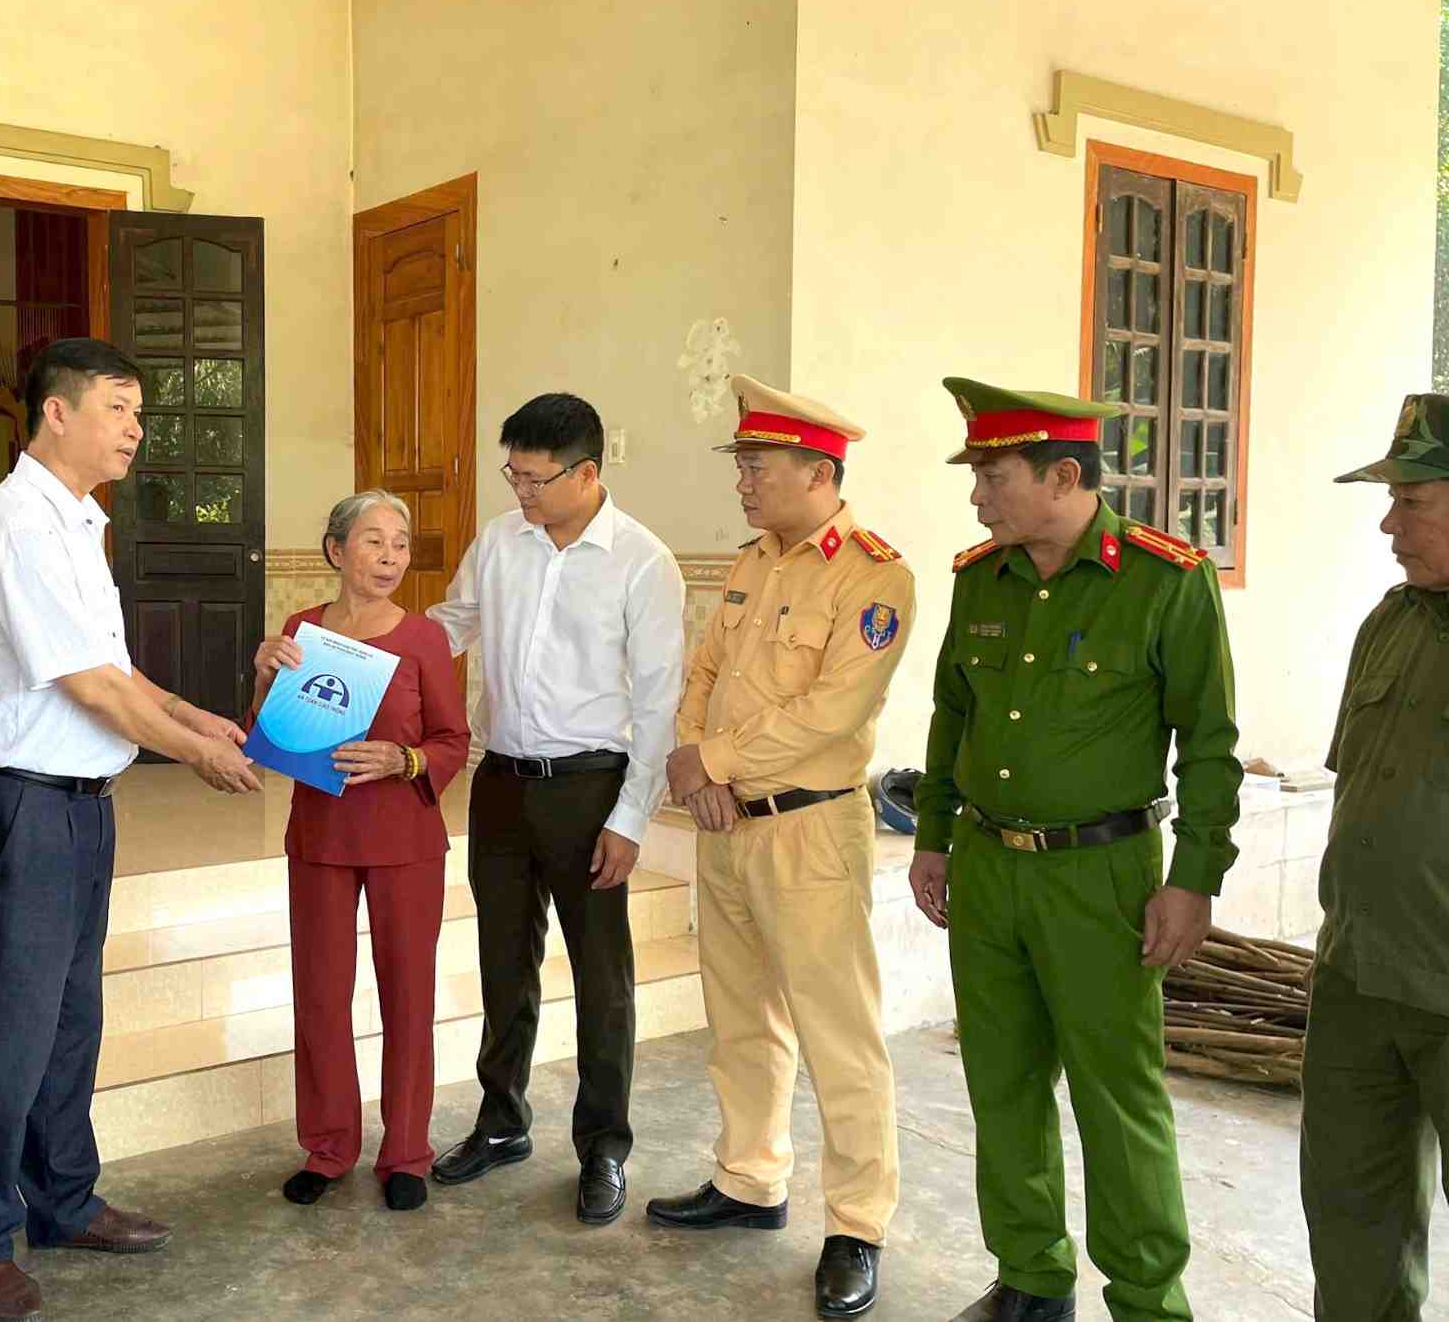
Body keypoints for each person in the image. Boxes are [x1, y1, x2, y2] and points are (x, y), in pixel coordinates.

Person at [0, 337, 262, 1321]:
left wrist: (193, 715)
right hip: (16, 805)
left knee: (68, 1019)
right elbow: (85, 686)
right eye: (118, 407)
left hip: (80, 804)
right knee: (2, 1030)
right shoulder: (15, 523)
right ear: (57, 411)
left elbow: (112, 669)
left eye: (139, 413)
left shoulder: (79, 522)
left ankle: (63, 1199)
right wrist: (194, 753)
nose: (135, 429)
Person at [911, 378, 1242, 1322]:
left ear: (1063, 476)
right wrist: (933, 836)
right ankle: (1031, 1276)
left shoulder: (1166, 579)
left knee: (1116, 1096)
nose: (977, 497)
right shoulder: (981, 577)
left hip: (1102, 876)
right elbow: (951, 715)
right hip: (987, 865)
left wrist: (1193, 880)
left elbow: (1210, 744)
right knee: (1001, 1082)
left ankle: (1147, 1299)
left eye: (994, 477)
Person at [655, 377, 914, 1319]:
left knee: (838, 1033)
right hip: (727, 826)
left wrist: (713, 759)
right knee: (740, 1017)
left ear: (817, 470)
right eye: (742, 465)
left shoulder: (874, 576)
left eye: (756, 466)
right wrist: (697, 765)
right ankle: (750, 1177)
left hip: (811, 830)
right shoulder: (750, 563)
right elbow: (704, 673)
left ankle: (857, 1223)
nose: (743, 482)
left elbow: (832, 710)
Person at [427, 392, 687, 1225]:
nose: (521, 492)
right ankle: (502, 1120)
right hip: (502, 782)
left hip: (591, 788)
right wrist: (344, 645)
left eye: (535, 479)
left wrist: (631, 818)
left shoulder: (642, 562)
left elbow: (659, 702)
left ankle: (603, 1145)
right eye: (513, 474)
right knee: (503, 960)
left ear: (587, 472)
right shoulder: (501, 541)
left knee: (601, 975)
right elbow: (446, 629)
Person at [251, 491, 469, 1212]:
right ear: (336, 550)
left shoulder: (425, 638)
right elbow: (268, 732)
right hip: (321, 834)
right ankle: (328, 1146)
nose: (390, 556)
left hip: (405, 838)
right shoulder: (301, 630)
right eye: (374, 541)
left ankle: (405, 1151)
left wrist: (404, 760)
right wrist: (264, 673)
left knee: (407, 994)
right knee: (319, 995)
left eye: (400, 543)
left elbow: (452, 740)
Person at [1302, 393, 1449, 1321]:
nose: (1390, 524)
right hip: (1358, 978)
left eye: (1412, 501)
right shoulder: (1388, 622)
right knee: (1353, 1231)